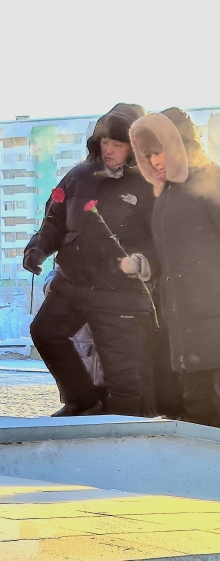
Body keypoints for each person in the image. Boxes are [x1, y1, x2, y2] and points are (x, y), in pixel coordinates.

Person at [25, 103, 156, 416]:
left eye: (118, 145)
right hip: (72, 284)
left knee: (123, 379)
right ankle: (82, 401)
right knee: (45, 332)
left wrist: (142, 261)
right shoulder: (78, 176)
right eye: (105, 142)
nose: (109, 150)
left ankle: (123, 435)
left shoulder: (147, 184)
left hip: (119, 293)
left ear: (133, 148)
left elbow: (160, 236)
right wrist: (38, 248)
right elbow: (54, 218)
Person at [130, 108, 220, 427]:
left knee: (206, 408)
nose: (155, 161)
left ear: (180, 145)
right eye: (148, 155)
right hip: (184, 322)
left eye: (160, 151)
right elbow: (168, 251)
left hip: (211, 320)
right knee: (197, 409)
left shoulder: (211, 182)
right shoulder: (168, 193)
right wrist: (145, 264)